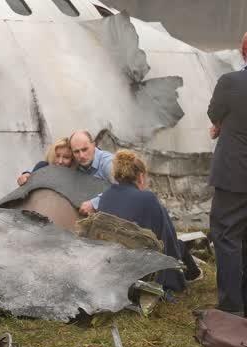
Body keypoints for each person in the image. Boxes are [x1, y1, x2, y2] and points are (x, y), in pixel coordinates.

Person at [99, 150, 201, 292]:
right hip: (142, 269)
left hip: (114, 266)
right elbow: (167, 241)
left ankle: (195, 273)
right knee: (178, 243)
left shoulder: (105, 197)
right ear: (141, 176)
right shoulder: (147, 198)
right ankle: (194, 274)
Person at [206, 32, 247, 316]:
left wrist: (221, 124)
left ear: (243, 52)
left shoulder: (231, 82)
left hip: (235, 173)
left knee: (228, 235)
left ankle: (232, 308)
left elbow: (213, 112)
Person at [69, 130, 114, 215]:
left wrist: (94, 204)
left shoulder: (108, 163)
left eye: (85, 149)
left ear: (93, 145)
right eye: (76, 151)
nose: (81, 155)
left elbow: (124, 189)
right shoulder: (75, 166)